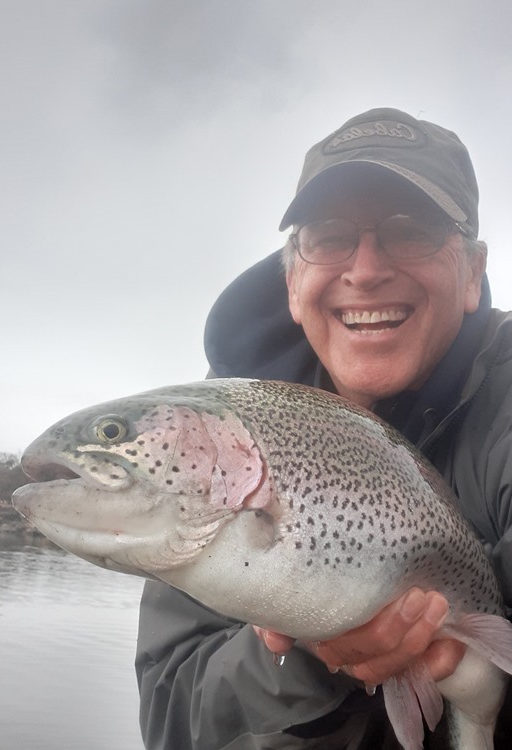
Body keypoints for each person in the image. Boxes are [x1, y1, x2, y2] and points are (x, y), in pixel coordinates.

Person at [135, 108, 512, 749]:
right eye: (330, 236)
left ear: (472, 273)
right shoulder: (212, 442)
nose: (365, 270)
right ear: (292, 281)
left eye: (410, 231)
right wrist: (306, 650)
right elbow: (175, 720)